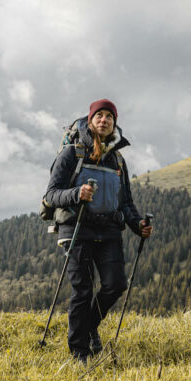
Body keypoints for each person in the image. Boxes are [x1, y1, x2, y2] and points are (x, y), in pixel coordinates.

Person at [43, 99, 153, 362]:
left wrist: (138, 225)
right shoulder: (72, 153)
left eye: (109, 117)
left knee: (115, 284)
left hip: (109, 230)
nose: (104, 120)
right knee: (82, 290)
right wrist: (76, 193)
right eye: (99, 116)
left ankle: (89, 326)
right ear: (90, 121)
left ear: (114, 124)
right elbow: (51, 194)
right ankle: (79, 352)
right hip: (76, 228)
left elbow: (125, 202)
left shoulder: (117, 160)